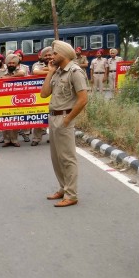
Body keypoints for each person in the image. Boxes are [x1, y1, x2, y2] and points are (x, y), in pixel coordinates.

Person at [40, 41, 88, 207]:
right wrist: (50, 72)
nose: (51, 57)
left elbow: (83, 100)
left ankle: (71, 194)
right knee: (56, 158)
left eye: (54, 53)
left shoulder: (75, 72)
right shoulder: (58, 72)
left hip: (64, 118)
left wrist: (67, 119)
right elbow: (44, 94)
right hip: (53, 118)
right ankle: (63, 188)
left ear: (63, 54)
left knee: (67, 158)